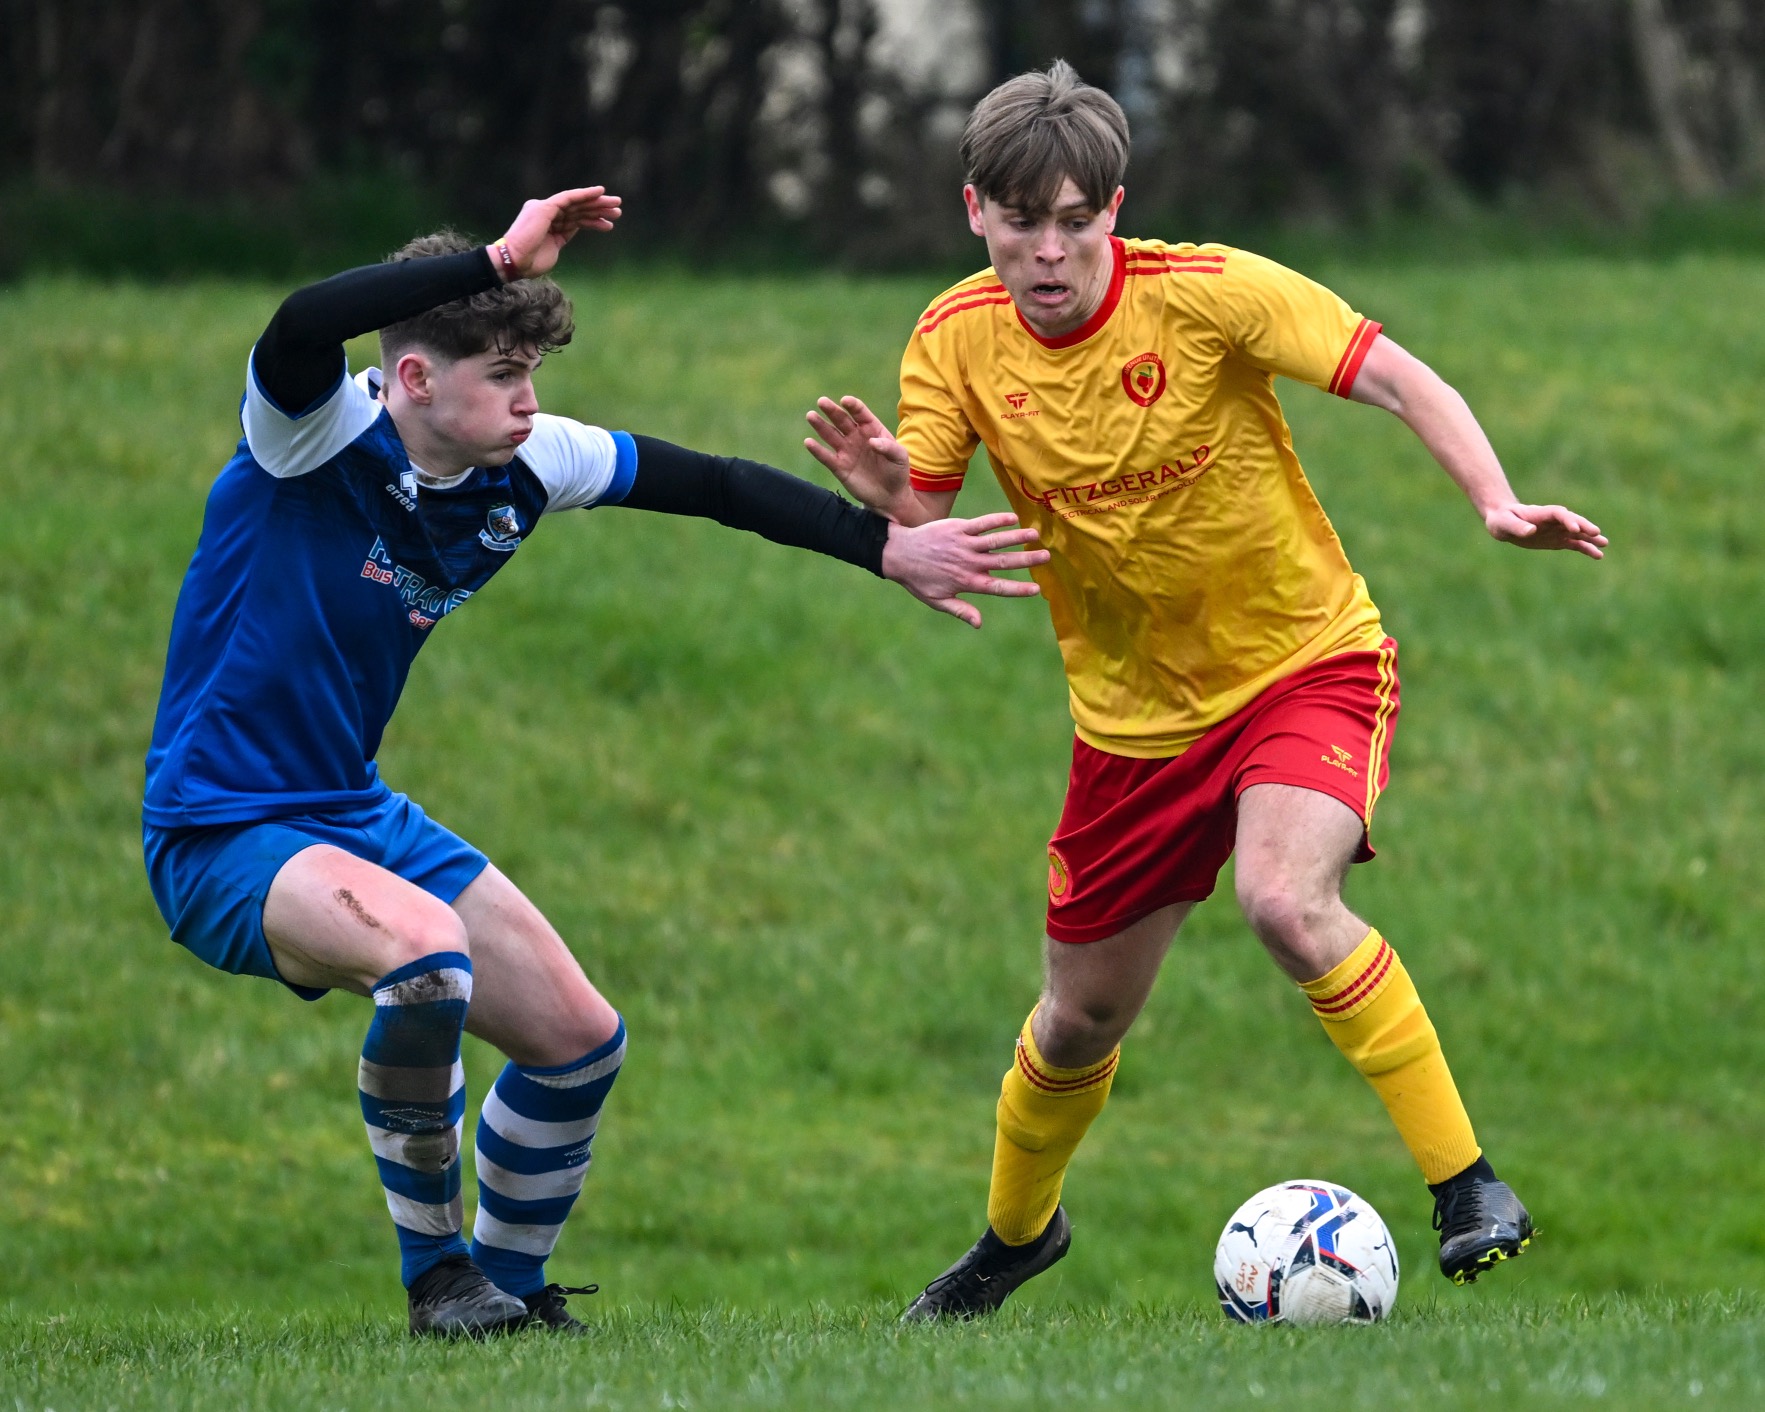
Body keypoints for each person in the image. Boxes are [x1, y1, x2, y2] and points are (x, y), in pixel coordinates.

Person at [142, 185, 1049, 1338]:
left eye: (535, 374)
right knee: (428, 958)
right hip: (219, 826)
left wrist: (890, 547)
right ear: (415, 380)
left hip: (348, 808)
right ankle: (439, 1283)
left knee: (578, 1040)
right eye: (504, 378)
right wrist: (494, 252)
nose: (532, 403)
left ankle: (510, 1299)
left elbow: (717, 486)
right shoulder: (314, 434)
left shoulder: (530, 461)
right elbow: (303, 318)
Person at [803, 63, 1606, 1320]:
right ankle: (1014, 1238)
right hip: (1126, 723)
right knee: (1075, 1021)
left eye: (1076, 220)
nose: (1050, 251)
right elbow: (931, 512)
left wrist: (1494, 500)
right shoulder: (953, 337)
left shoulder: (1210, 294)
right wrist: (884, 489)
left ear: (1113, 209)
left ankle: (1467, 1185)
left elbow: (1399, 375)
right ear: (977, 213)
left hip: (1305, 661)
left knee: (1285, 902)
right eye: (1023, 223)